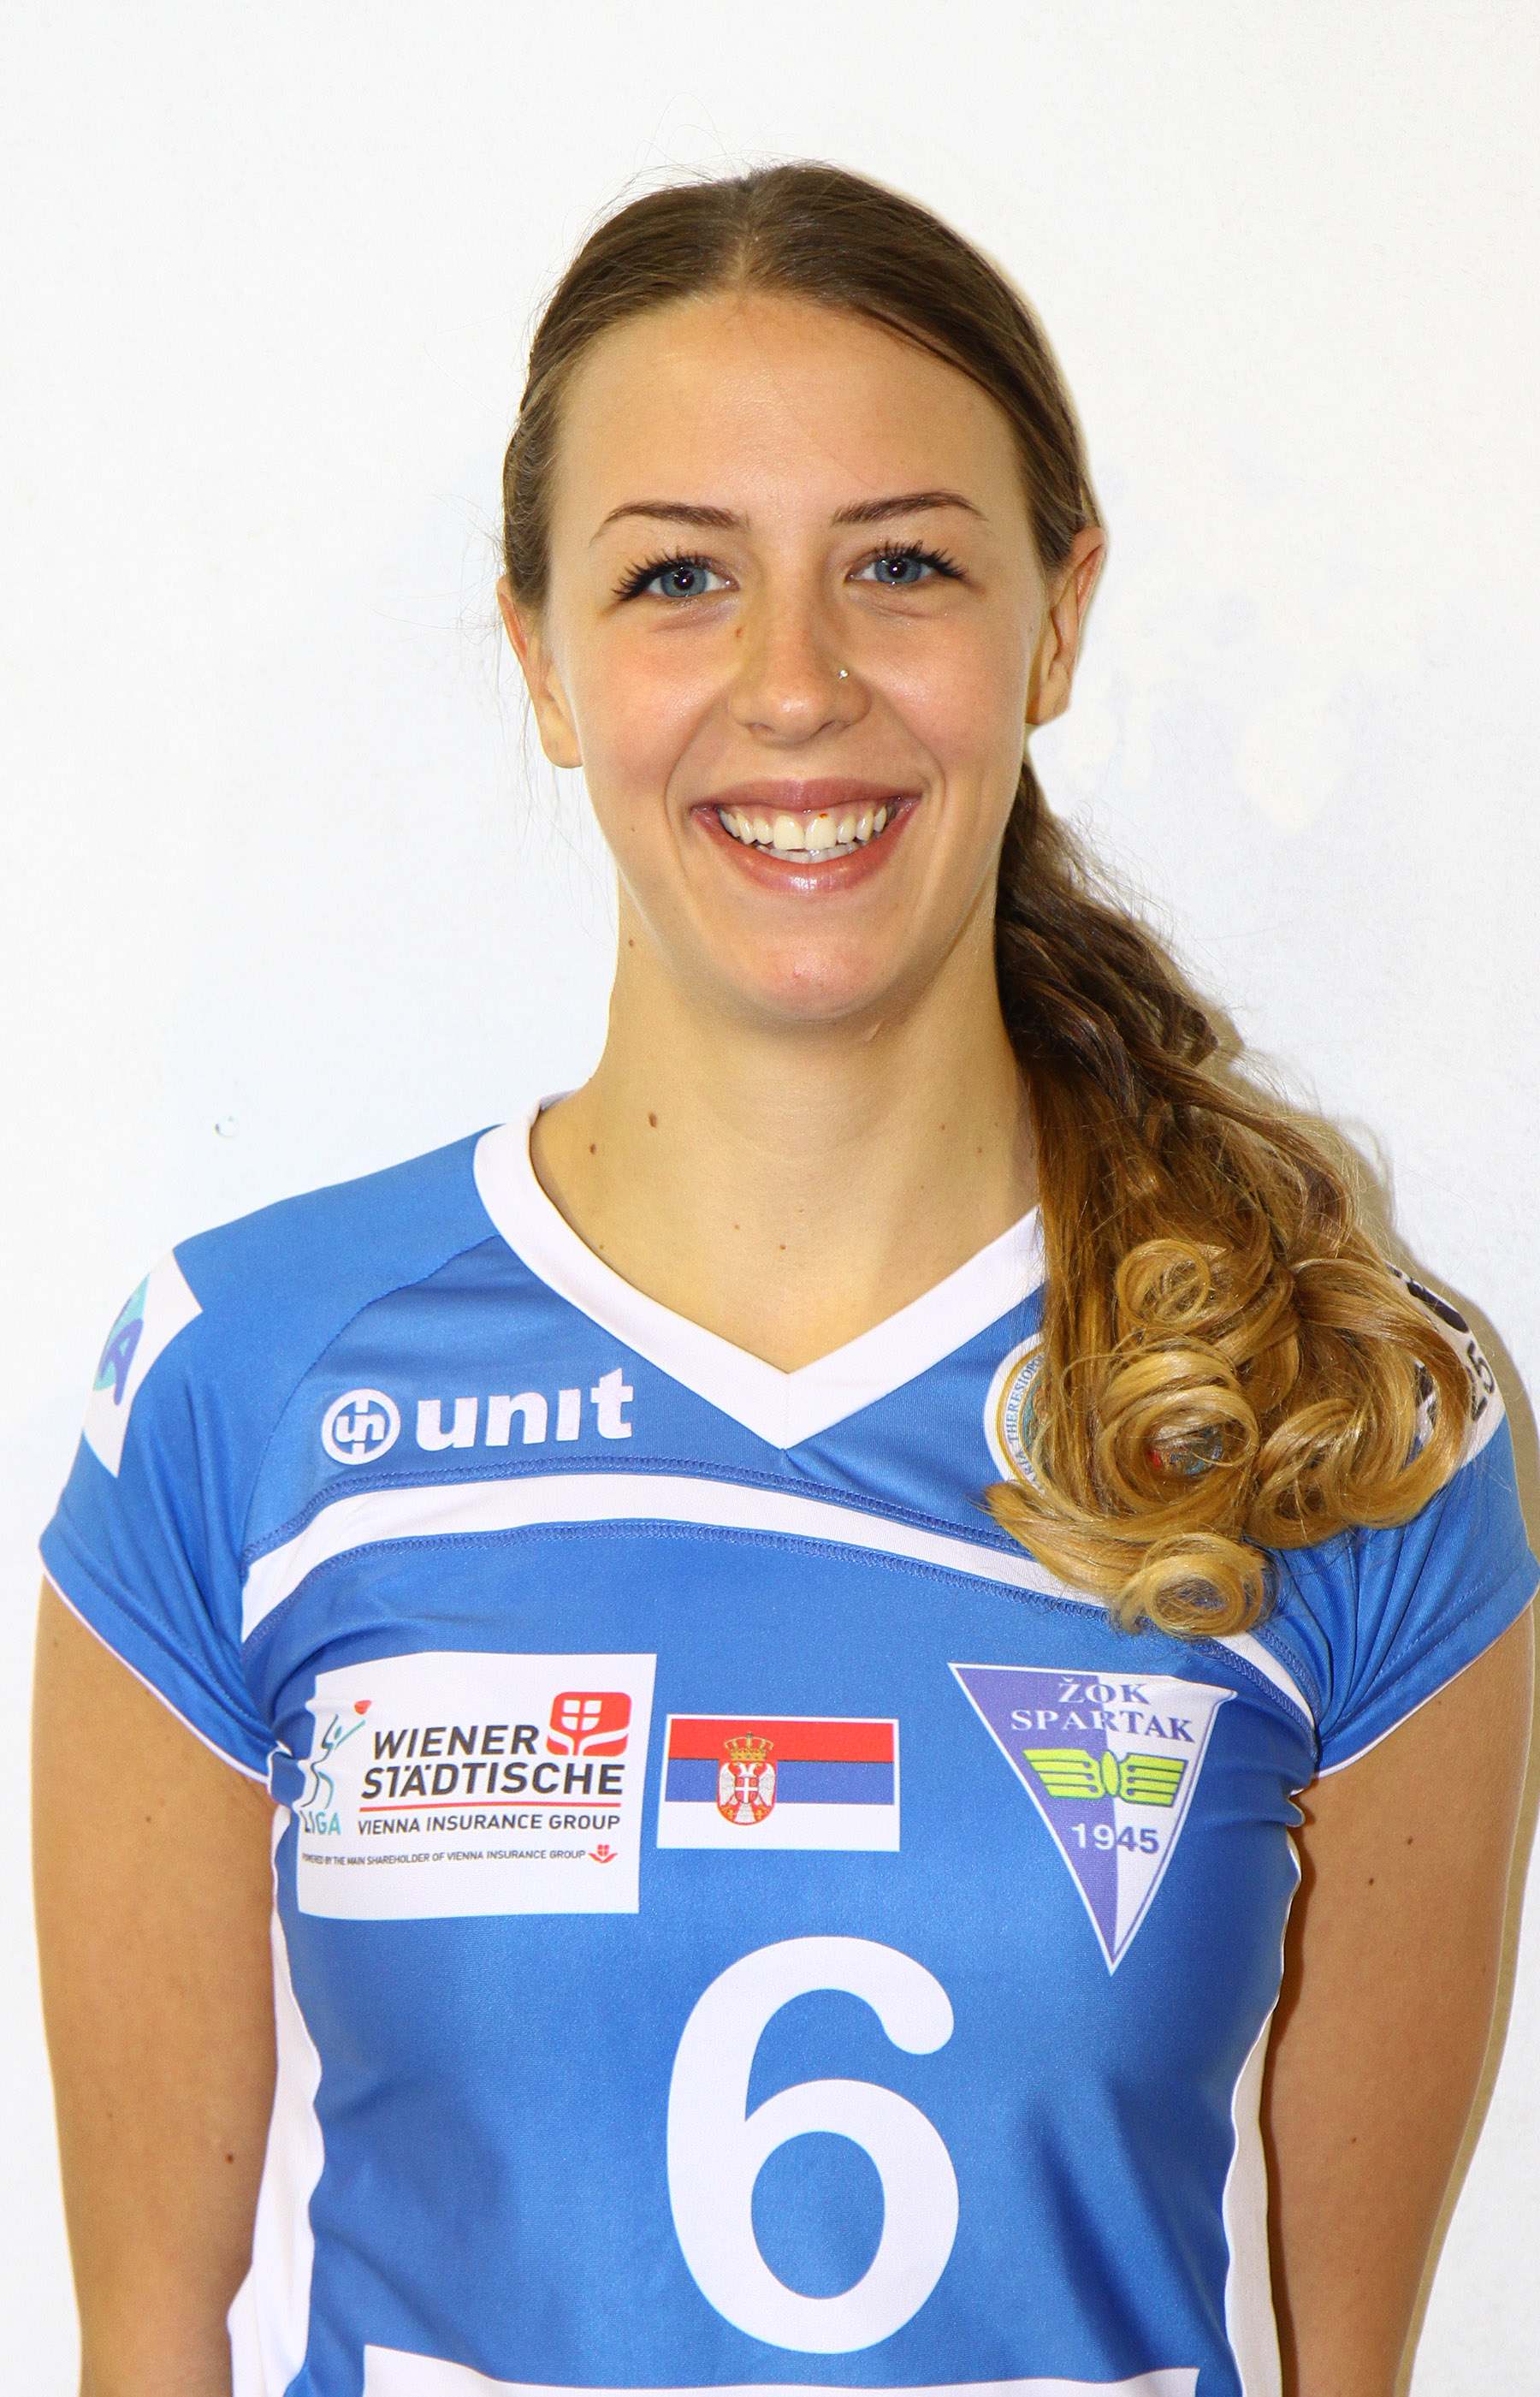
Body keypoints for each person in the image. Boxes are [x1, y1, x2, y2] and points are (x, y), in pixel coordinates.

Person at [33, 163, 1536, 2397]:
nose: (798, 684)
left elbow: (1345, 2369)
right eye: (679, 578)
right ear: (540, 656)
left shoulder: (1335, 1411)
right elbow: (148, 2349)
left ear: (1057, 620)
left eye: (902, 565)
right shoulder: (238, 1387)